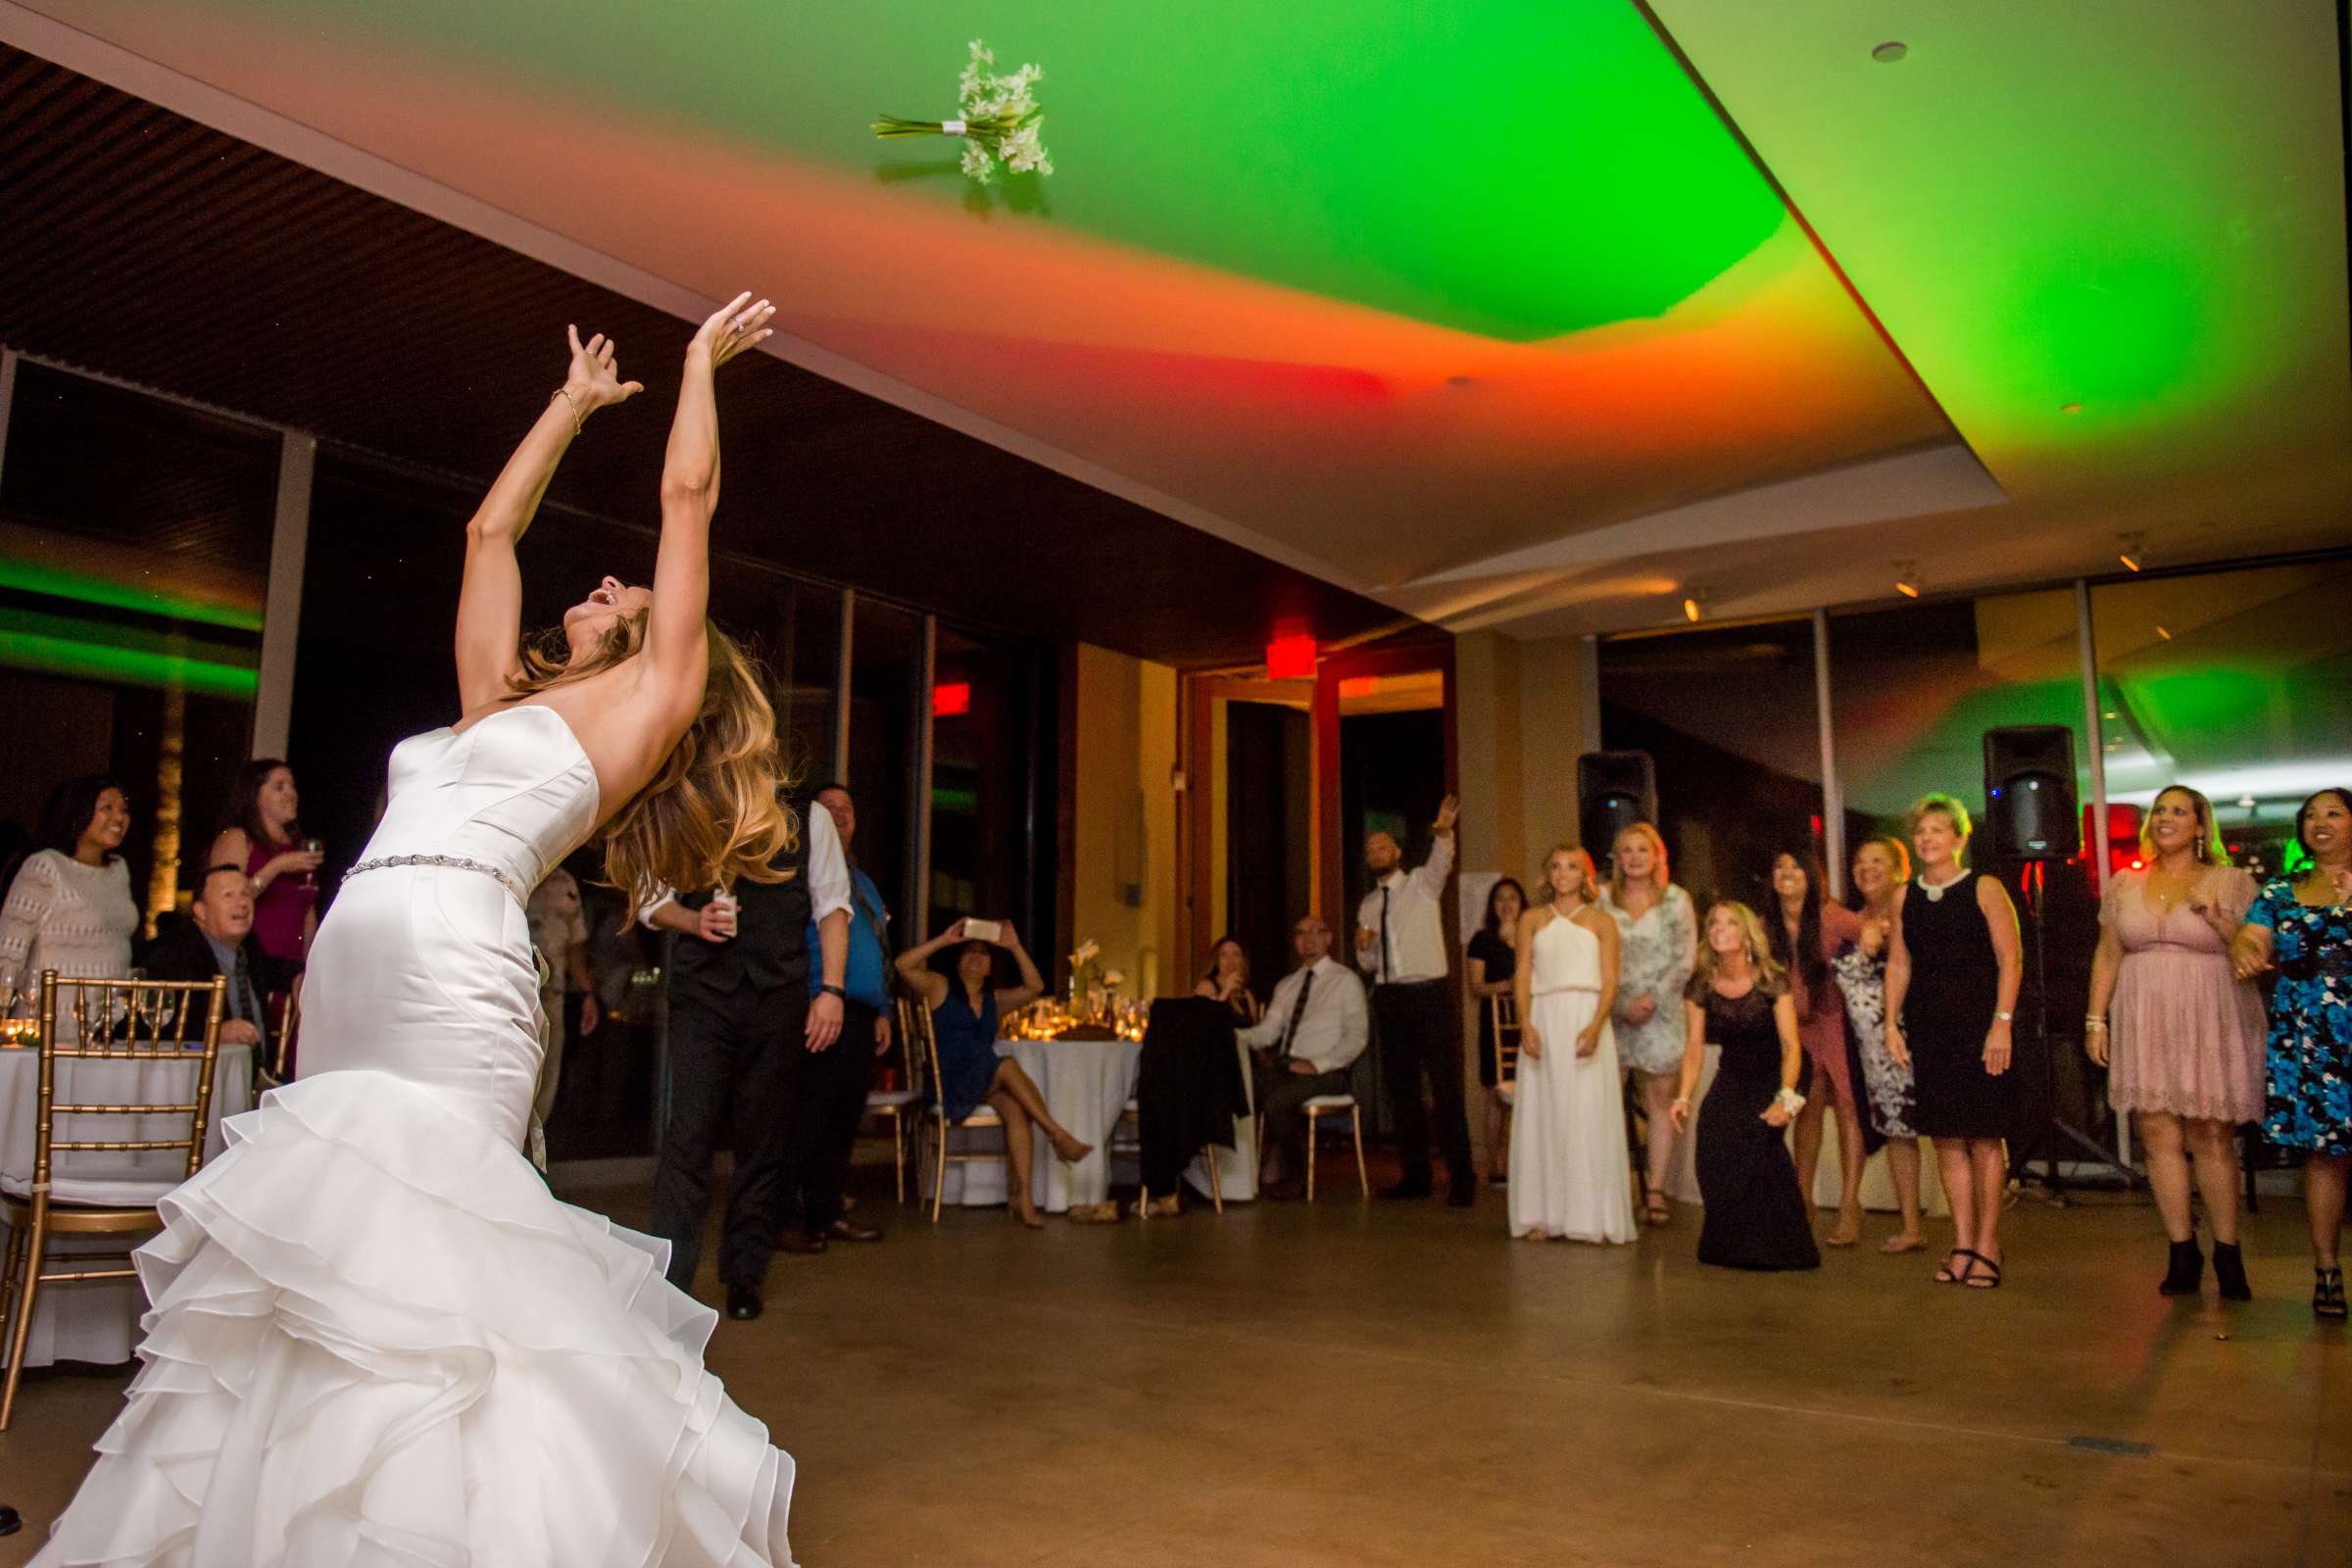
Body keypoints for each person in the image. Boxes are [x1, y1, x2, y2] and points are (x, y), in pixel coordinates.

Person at [26, 299, 802, 1564]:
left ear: (671, 646)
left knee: (440, 1265)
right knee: (329, 1263)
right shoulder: (493, 700)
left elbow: (689, 497)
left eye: (630, 590)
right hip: (352, 971)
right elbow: (489, 529)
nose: (602, 584)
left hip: (456, 967)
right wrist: (568, 405)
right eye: (603, 585)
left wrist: (695, 370)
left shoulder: (643, 710)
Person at [643, 787, 850, 1294]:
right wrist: (693, 920)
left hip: (777, 995)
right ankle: (671, 1282)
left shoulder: (810, 818)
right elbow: (649, 901)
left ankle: (744, 1276)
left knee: (764, 1139)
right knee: (688, 1137)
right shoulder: (685, 803)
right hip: (702, 996)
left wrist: (833, 991)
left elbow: (832, 907)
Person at [2086, 785, 2265, 1300]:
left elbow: (2256, 949)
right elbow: (2108, 953)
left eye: (2178, 811)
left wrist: (2217, 916)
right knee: (2157, 1132)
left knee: (2210, 1132)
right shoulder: (2124, 882)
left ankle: (2228, 1252)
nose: (2165, 819)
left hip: (2208, 1013)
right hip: (2143, 1014)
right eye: (2159, 811)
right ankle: (2181, 1249)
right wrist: (2095, 1019)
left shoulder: (2231, 882)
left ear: (2201, 825)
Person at [1885, 793, 2022, 1292]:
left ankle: (1988, 1244)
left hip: (1981, 1026)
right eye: (1920, 831)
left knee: (1985, 1136)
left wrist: (2002, 1022)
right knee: (1945, 1136)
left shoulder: (1984, 888)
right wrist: (1889, 1022)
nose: (1926, 839)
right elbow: (1900, 963)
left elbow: (2011, 959)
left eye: (1937, 830)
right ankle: (1962, 1241)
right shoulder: (1905, 897)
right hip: (1931, 1026)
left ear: (1960, 838)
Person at [2232, 786, 2352, 1320]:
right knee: (2324, 1156)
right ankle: (2326, 1267)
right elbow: (2251, 937)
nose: (2319, 823)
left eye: (2333, 813)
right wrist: (2244, 948)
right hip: (2308, 1031)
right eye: (2310, 816)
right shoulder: (2281, 890)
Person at [896, 921, 1090, 1227]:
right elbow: (902, 964)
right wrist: (944, 940)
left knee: (1016, 1109)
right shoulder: (939, 986)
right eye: (968, 952)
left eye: (984, 954)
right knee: (1008, 1065)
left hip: (982, 1080)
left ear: (990, 967)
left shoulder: (994, 1001)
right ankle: (1057, 1134)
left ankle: (1023, 1197)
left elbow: (1035, 987)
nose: (975, 958)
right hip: (949, 1082)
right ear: (958, 961)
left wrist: (1014, 946)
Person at [1670, 903, 1818, 1272]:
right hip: (1734, 1071)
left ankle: (1780, 1246)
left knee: (1761, 1144)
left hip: (1780, 1071)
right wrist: (1684, 1095)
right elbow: (1693, 1047)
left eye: (1730, 923)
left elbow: (1792, 1047)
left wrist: (1786, 1097)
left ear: (1747, 933)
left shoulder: (1771, 979)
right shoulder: (1700, 984)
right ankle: (1730, 1244)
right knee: (1713, 1142)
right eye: (1714, 923)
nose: (1720, 929)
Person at [784, 781, 895, 1250]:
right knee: (807, 1117)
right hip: (822, 1007)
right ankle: (785, 1217)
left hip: (863, 1013)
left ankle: (827, 1213)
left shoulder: (862, 880)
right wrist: (818, 995)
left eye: (846, 808)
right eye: (828, 807)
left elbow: (878, 947)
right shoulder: (808, 869)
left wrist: (883, 1009)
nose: (838, 814)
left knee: (844, 1120)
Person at [1508, 846, 1634, 1244]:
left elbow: (1611, 979)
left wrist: (1596, 1024)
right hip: (1545, 1016)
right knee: (1543, 1112)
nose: (1563, 874)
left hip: (1584, 1013)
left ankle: (1588, 1215)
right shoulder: (1532, 919)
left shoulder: (1602, 921)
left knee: (1586, 1111)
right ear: (1548, 875)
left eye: (1572, 867)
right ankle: (1541, 1214)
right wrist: (1525, 1021)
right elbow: (1523, 973)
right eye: (1556, 867)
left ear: (1586, 875)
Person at [1355, 795, 1474, 1205]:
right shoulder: (1368, 905)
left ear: (1398, 852)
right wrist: (1363, 949)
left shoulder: (1422, 885)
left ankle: (1462, 1177)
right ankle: (1416, 1176)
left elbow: (1443, 857)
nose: (1376, 854)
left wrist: (1443, 830)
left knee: (1445, 1088)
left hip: (1428, 995)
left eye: (1382, 847)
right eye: (1370, 850)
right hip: (1390, 998)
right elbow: (1368, 963)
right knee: (1401, 1090)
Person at [1767, 847, 1867, 1248]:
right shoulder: (1765, 925)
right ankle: (1803, 1199)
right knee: (1803, 1107)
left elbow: (1876, 941)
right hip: (1794, 1030)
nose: (1787, 872)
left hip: (1836, 1023)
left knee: (1847, 1108)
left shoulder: (1833, 917)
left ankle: (1849, 1204)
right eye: (1779, 866)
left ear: (1814, 876)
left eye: (1795, 866)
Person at [1831, 835, 1927, 1253]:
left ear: (1899, 870)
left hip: (1909, 1041)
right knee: (1893, 1132)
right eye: (1859, 863)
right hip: (1864, 1051)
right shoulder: (1850, 923)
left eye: (1876, 861)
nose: (1866, 869)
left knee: (1935, 1134)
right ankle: (1909, 1227)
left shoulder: (1913, 917)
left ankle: (1959, 1230)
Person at [1598, 823, 1695, 1224]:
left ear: (1657, 856)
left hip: (1662, 1009)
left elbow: (1686, 958)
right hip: (1612, 1009)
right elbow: (1591, 951)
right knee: (1604, 1099)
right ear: (1617, 859)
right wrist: (1620, 1003)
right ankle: (1611, 1188)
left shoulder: (1676, 900)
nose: (1635, 857)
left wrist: (1651, 999)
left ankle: (1655, 1189)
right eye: (1627, 850)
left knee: (1659, 1100)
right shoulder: (1602, 899)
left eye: (1643, 850)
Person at [1236, 915, 1369, 1200]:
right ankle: (1235, 1174)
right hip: (1288, 1066)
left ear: (1329, 939)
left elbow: (1356, 1037)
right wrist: (1235, 1036)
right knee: (1239, 1085)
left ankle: (1295, 1174)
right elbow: (1268, 1032)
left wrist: (1318, 1064)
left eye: (1316, 932)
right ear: (1295, 941)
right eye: (1301, 933)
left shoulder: (1346, 981)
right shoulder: (1287, 984)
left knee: (1277, 1101)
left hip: (1330, 1072)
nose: (1308, 939)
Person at [1, 775, 138, 1025]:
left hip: (102, 1030)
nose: (119, 818)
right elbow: (8, 951)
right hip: (46, 1029)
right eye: (107, 808)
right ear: (78, 810)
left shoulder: (120, 871)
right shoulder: (45, 867)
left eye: (124, 810)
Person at [140, 861, 303, 1059]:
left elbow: (273, 968)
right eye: (228, 895)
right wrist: (214, 1033)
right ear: (201, 911)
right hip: (199, 1080)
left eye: (245, 894)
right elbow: (155, 1026)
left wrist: (298, 975)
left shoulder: (248, 947)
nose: (242, 903)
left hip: (251, 1080)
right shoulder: (175, 955)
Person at [207, 759, 324, 966]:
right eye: (280, 787)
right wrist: (277, 866)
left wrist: (309, 966)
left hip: (290, 967)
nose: (291, 794)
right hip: (251, 964)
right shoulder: (238, 838)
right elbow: (221, 905)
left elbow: (307, 911)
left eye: (292, 786)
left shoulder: (297, 847)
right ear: (255, 796)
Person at [523, 859, 600, 1156]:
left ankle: (530, 1166)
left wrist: (587, 992)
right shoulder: (516, 874)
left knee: (546, 1087)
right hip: (513, 996)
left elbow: (575, 945)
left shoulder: (565, 883)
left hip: (552, 996)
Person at [1467, 877, 1526, 1187]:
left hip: (1529, 1021)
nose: (1506, 904)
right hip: (1495, 1023)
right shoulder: (1482, 940)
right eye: (1500, 898)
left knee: (1528, 1091)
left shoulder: (1532, 935)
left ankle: (1525, 1160)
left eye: (1512, 898)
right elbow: (1476, 987)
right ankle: (1494, 1162)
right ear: (1492, 905)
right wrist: (1507, 985)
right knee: (1495, 1093)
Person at [1196, 935, 1264, 1025]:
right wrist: (1226, 991)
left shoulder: (1247, 994)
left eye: (1236, 955)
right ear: (1217, 961)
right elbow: (1204, 1024)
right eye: (1224, 955)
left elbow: (1255, 1030)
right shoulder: (1206, 986)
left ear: (1243, 961)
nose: (1230, 961)